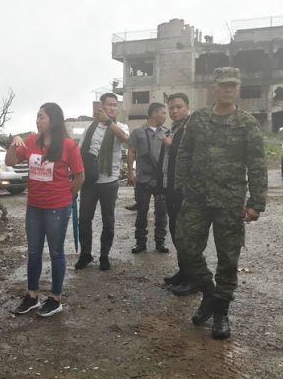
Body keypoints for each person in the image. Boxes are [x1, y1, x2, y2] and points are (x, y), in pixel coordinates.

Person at [175, 67, 268, 339]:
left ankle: (220, 312)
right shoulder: (198, 119)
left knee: (228, 258)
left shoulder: (246, 122)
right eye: (223, 85)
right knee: (186, 247)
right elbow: (184, 153)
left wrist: (256, 202)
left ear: (237, 89)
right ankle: (208, 293)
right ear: (213, 88)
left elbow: (257, 165)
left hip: (229, 201)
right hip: (197, 199)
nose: (228, 89)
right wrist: (183, 186)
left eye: (233, 86)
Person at [6, 103, 85, 317]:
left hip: (57, 208)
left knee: (56, 252)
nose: (37, 120)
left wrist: (67, 197)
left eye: (41, 117)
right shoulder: (31, 141)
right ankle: (32, 296)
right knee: (33, 252)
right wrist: (13, 144)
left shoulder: (68, 145)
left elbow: (80, 176)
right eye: (37, 116)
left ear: (53, 120)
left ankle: (55, 298)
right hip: (34, 207)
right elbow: (10, 161)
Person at [75, 93, 129, 271]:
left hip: (109, 181)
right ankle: (86, 254)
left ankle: (104, 255)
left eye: (115, 105)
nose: (113, 108)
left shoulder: (120, 126)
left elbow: (126, 140)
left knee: (108, 220)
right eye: (109, 105)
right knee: (84, 219)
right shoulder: (89, 128)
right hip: (89, 181)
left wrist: (109, 122)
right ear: (102, 106)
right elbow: (80, 151)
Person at [161, 93, 195, 296]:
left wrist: (170, 145)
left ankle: (192, 279)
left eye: (179, 107)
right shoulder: (174, 128)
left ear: (187, 107)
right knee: (175, 233)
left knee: (185, 236)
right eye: (172, 108)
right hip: (171, 189)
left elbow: (187, 156)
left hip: (184, 191)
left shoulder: (190, 129)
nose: (175, 111)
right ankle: (183, 272)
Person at [127, 102, 170, 254]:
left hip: (160, 180)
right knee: (141, 212)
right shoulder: (137, 131)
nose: (165, 116)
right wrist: (130, 173)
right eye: (163, 113)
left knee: (161, 212)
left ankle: (160, 242)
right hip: (143, 179)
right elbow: (131, 151)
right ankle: (140, 242)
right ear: (154, 113)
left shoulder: (167, 132)